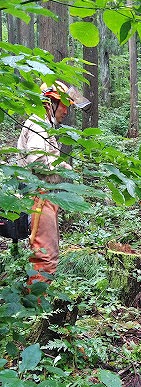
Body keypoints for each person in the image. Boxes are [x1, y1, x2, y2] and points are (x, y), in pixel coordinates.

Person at [17, 81, 90, 284]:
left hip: (46, 194)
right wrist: (59, 168)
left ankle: (40, 303)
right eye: (63, 104)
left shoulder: (46, 126)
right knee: (45, 256)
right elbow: (37, 160)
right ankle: (37, 308)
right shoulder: (37, 123)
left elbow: (44, 157)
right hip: (38, 196)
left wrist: (64, 167)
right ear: (49, 103)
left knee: (49, 252)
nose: (66, 110)